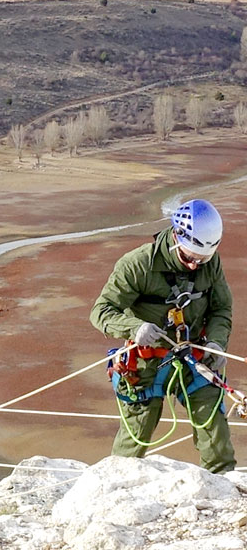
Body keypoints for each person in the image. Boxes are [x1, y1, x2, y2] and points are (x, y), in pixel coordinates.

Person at [90, 198, 235, 473]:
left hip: (195, 358)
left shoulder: (210, 264)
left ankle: (222, 495)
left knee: (216, 439)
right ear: (176, 236)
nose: (195, 265)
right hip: (145, 364)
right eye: (189, 257)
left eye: (201, 259)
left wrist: (216, 343)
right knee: (130, 450)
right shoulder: (138, 265)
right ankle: (113, 492)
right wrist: (134, 328)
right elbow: (101, 311)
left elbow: (221, 309)